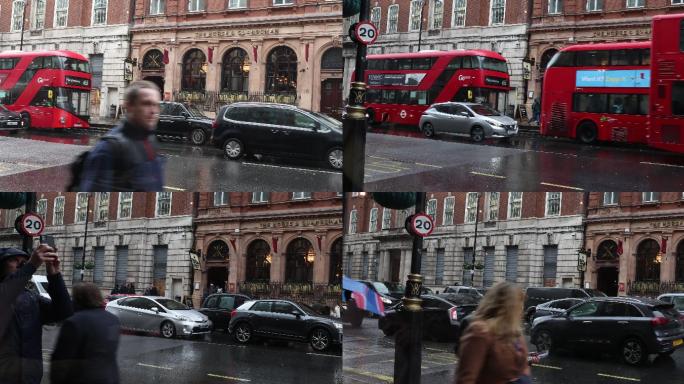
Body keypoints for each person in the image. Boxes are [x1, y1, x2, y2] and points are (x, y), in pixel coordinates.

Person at [0, 245, 73, 384]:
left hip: (29, 378)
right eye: (15, 260)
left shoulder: (30, 298)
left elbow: (64, 311)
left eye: (24, 261)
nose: (22, 264)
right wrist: (31, 265)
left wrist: (55, 275)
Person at [79, 80, 164, 191]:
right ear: (129, 106)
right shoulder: (108, 148)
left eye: (156, 105)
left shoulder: (151, 140)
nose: (154, 111)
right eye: (146, 104)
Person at [456, 281, 537, 384]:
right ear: (507, 306)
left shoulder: (514, 331)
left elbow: (522, 368)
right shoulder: (480, 332)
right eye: (518, 303)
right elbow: (465, 379)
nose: (522, 309)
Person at [51, 283, 120, 384]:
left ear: (79, 300)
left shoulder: (74, 322)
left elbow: (61, 361)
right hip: (110, 378)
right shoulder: (113, 320)